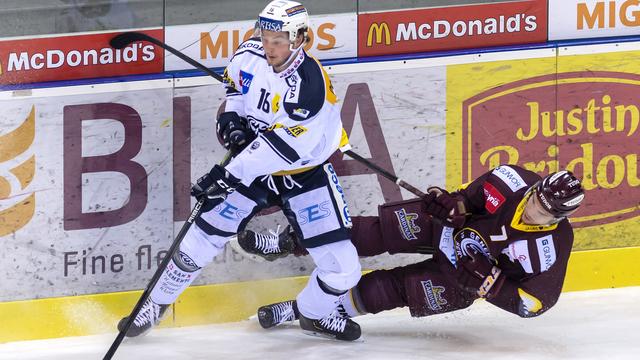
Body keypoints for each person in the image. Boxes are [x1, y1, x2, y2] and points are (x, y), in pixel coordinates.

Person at [118, 0, 362, 341]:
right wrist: (231, 123)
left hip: (303, 172)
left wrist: (228, 175)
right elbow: (235, 89)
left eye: (280, 41)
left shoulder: (310, 86)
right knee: (200, 239)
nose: (270, 47)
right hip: (254, 162)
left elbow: (281, 148)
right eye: (266, 37)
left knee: (344, 268)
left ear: (301, 39)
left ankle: (314, 313)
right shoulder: (250, 53)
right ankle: (155, 303)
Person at [236, 165, 585, 329]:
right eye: (535, 196)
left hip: (462, 277)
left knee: (389, 291)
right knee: (374, 231)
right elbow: (468, 195)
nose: (533, 206)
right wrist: (455, 205)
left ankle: (302, 312)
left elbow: (535, 304)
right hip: (450, 230)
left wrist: (490, 286)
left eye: (543, 209)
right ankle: (285, 242)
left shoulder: (553, 246)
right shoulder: (511, 181)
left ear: (558, 217)